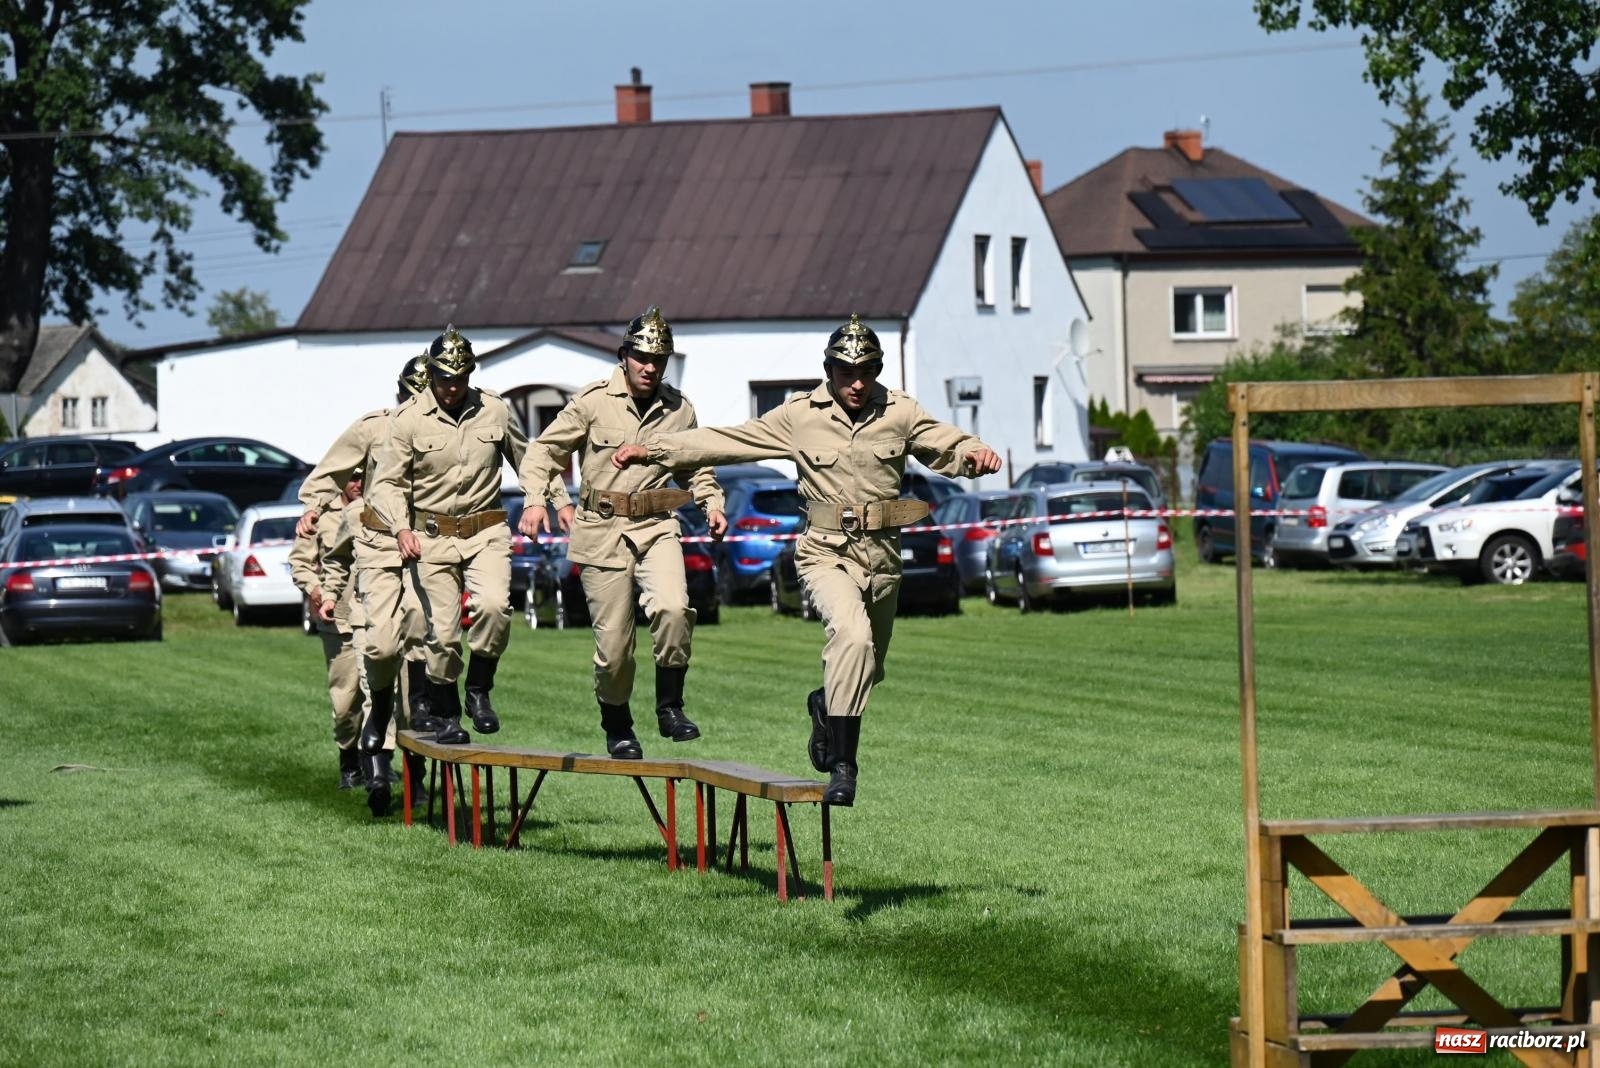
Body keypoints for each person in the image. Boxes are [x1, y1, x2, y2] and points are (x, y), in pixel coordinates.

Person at [614, 314, 1001, 805]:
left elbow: (944, 442)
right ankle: (844, 768)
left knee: (867, 668)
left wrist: (975, 452)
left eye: (866, 372)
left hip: (882, 558)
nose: (856, 383)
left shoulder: (899, 411)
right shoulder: (800, 415)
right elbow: (729, 439)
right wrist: (652, 449)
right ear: (829, 371)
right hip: (825, 553)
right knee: (852, 638)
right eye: (845, 373)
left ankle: (825, 705)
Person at [518, 307, 726, 758]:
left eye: (659, 359)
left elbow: (697, 467)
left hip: (657, 525)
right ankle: (617, 724)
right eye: (642, 357)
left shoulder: (680, 408)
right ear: (624, 355)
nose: (650, 367)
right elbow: (542, 453)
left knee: (673, 608)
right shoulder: (592, 401)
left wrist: (712, 503)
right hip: (602, 530)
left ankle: (670, 707)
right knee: (614, 649)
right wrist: (538, 499)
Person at [369, 325, 567, 746]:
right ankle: (445, 712)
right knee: (441, 633)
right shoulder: (407, 420)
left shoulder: (493, 409)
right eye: (445, 379)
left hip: (486, 529)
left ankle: (479, 690)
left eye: (460, 379)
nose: (453, 388)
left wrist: (547, 500)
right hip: (431, 536)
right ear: (434, 374)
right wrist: (401, 528)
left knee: (495, 608)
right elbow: (386, 484)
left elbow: (529, 458)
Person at [297, 354, 435, 813]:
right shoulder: (356, 508)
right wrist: (326, 593)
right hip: (360, 609)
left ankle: (410, 781)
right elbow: (331, 556)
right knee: (356, 690)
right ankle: (367, 772)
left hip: (419, 577)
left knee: (414, 695)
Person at [288, 470, 368, 792]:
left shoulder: (382, 506)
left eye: (364, 476)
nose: (358, 483)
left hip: (379, 614)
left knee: (384, 695)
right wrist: (316, 590)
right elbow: (299, 562)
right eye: (352, 477)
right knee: (347, 699)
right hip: (339, 616)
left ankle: (378, 762)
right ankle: (349, 762)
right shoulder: (319, 514)